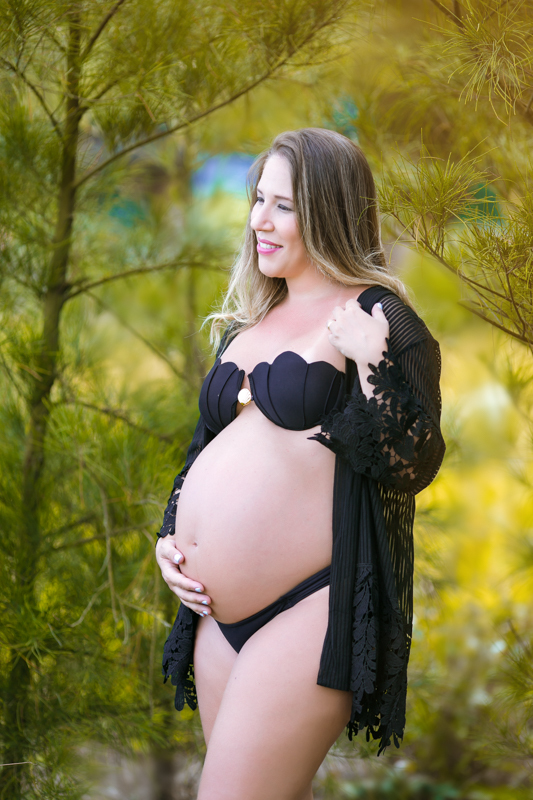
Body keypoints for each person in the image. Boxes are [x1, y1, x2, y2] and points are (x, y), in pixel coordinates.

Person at [155, 128, 446, 800]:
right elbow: (201, 455)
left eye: (282, 205)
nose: (259, 219)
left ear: (330, 211)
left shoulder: (377, 314)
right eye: (257, 199)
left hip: (308, 608)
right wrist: (171, 540)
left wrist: (371, 358)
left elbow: (412, 460)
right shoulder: (248, 325)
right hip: (215, 620)